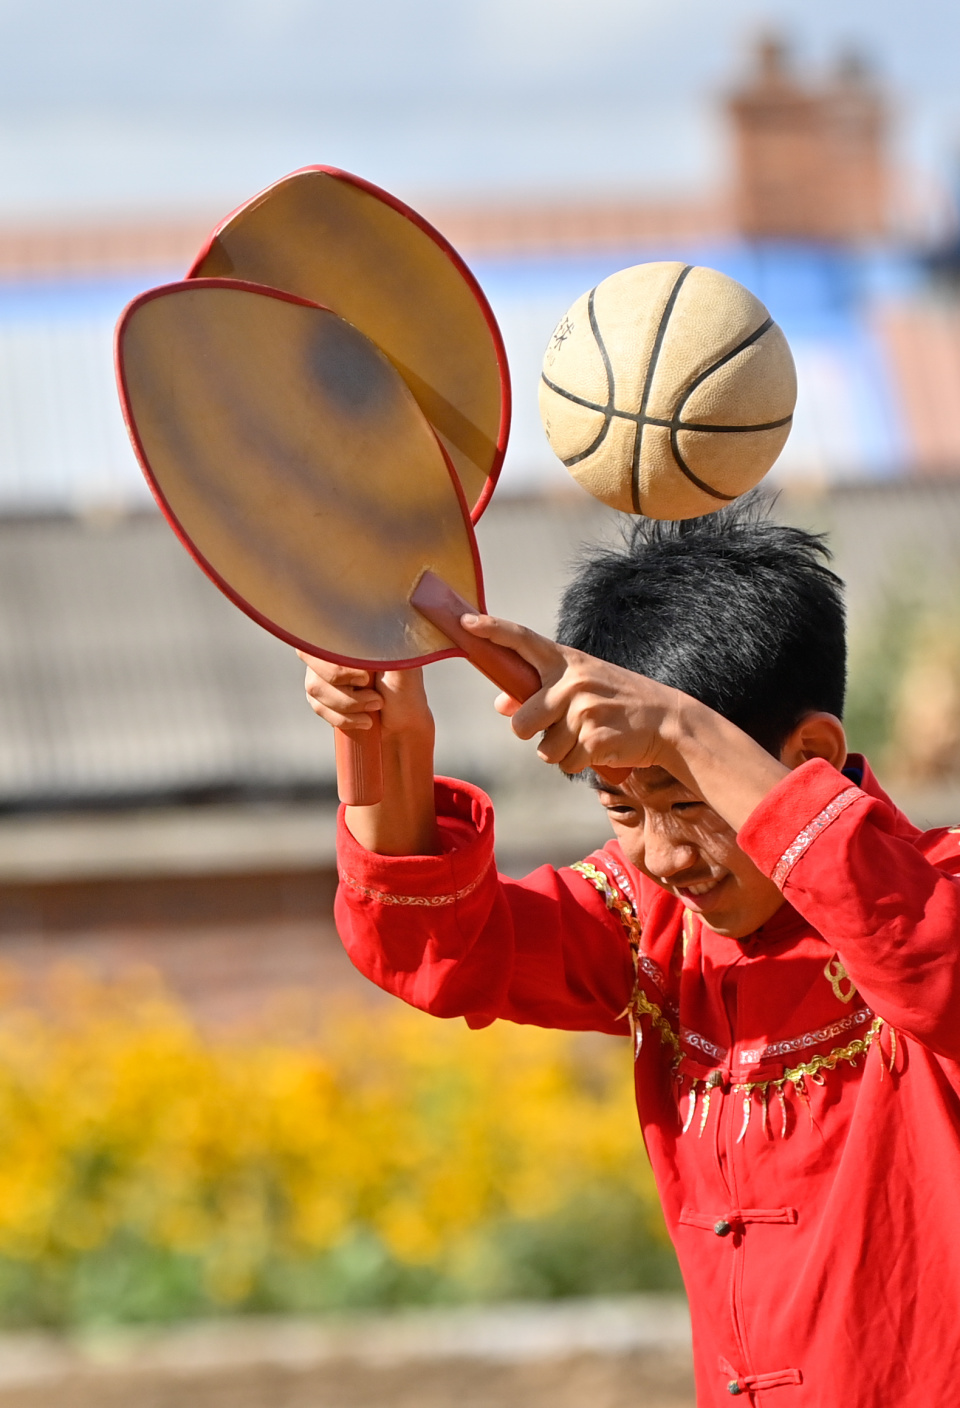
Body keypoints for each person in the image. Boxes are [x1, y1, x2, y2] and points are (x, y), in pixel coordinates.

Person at [301, 501, 960, 1407]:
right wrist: (383, 740)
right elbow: (436, 946)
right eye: (620, 806)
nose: (662, 854)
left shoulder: (933, 892)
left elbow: (929, 962)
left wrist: (684, 730)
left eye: (685, 800)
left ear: (809, 753)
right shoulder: (651, 926)